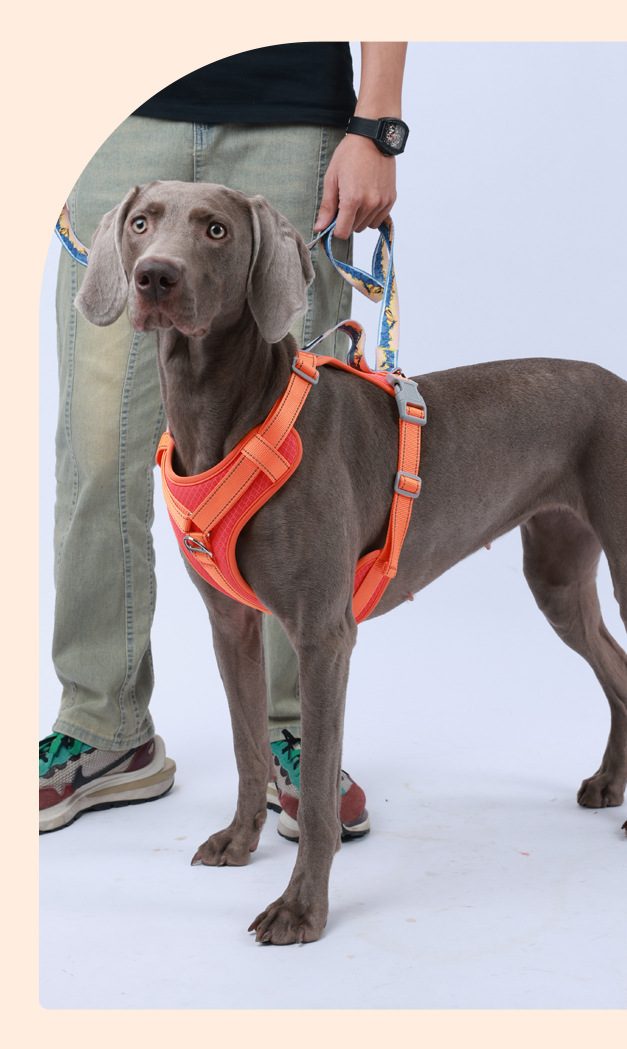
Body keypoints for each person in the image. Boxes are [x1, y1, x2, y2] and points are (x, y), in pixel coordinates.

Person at [39, 42, 409, 841]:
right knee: (96, 450)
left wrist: (378, 124)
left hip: (290, 109)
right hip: (116, 115)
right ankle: (103, 726)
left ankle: (295, 732)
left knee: (298, 457)